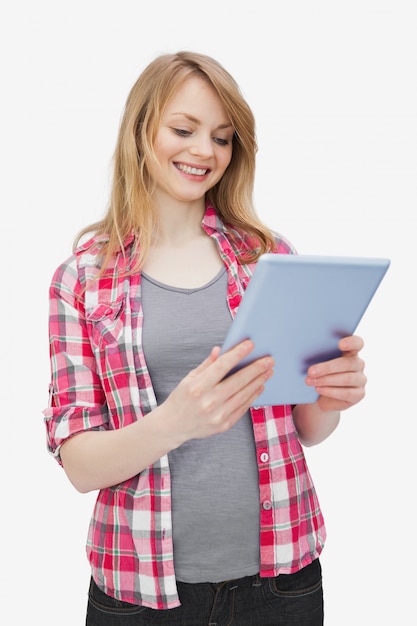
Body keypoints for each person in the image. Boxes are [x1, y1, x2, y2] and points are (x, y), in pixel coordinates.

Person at [44, 51, 367, 626]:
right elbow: (78, 464)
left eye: (221, 138)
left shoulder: (268, 258)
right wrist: (177, 421)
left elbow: (306, 429)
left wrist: (329, 395)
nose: (204, 152)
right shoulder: (83, 280)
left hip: (282, 586)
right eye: (183, 129)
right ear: (141, 131)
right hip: (139, 594)